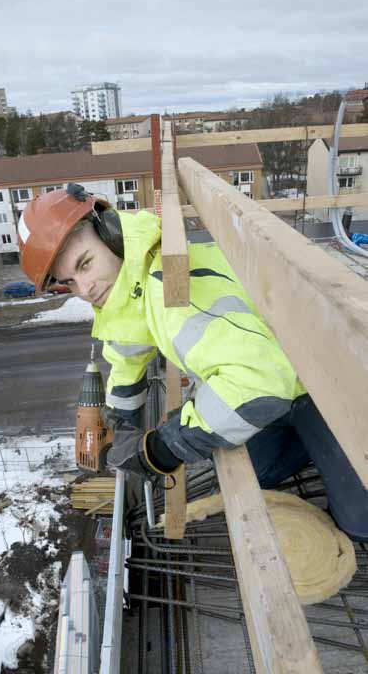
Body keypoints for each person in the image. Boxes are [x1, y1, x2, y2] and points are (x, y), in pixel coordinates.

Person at [18, 183, 368, 542]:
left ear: (110, 234)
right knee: (258, 468)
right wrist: (118, 418)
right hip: (284, 373)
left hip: (331, 374)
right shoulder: (132, 278)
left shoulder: (168, 290)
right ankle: (316, 444)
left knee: (359, 521)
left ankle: (332, 443)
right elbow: (127, 347)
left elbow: (258, 383)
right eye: (70, 282)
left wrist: (162, 447)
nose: (86, 288)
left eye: (85, 264)